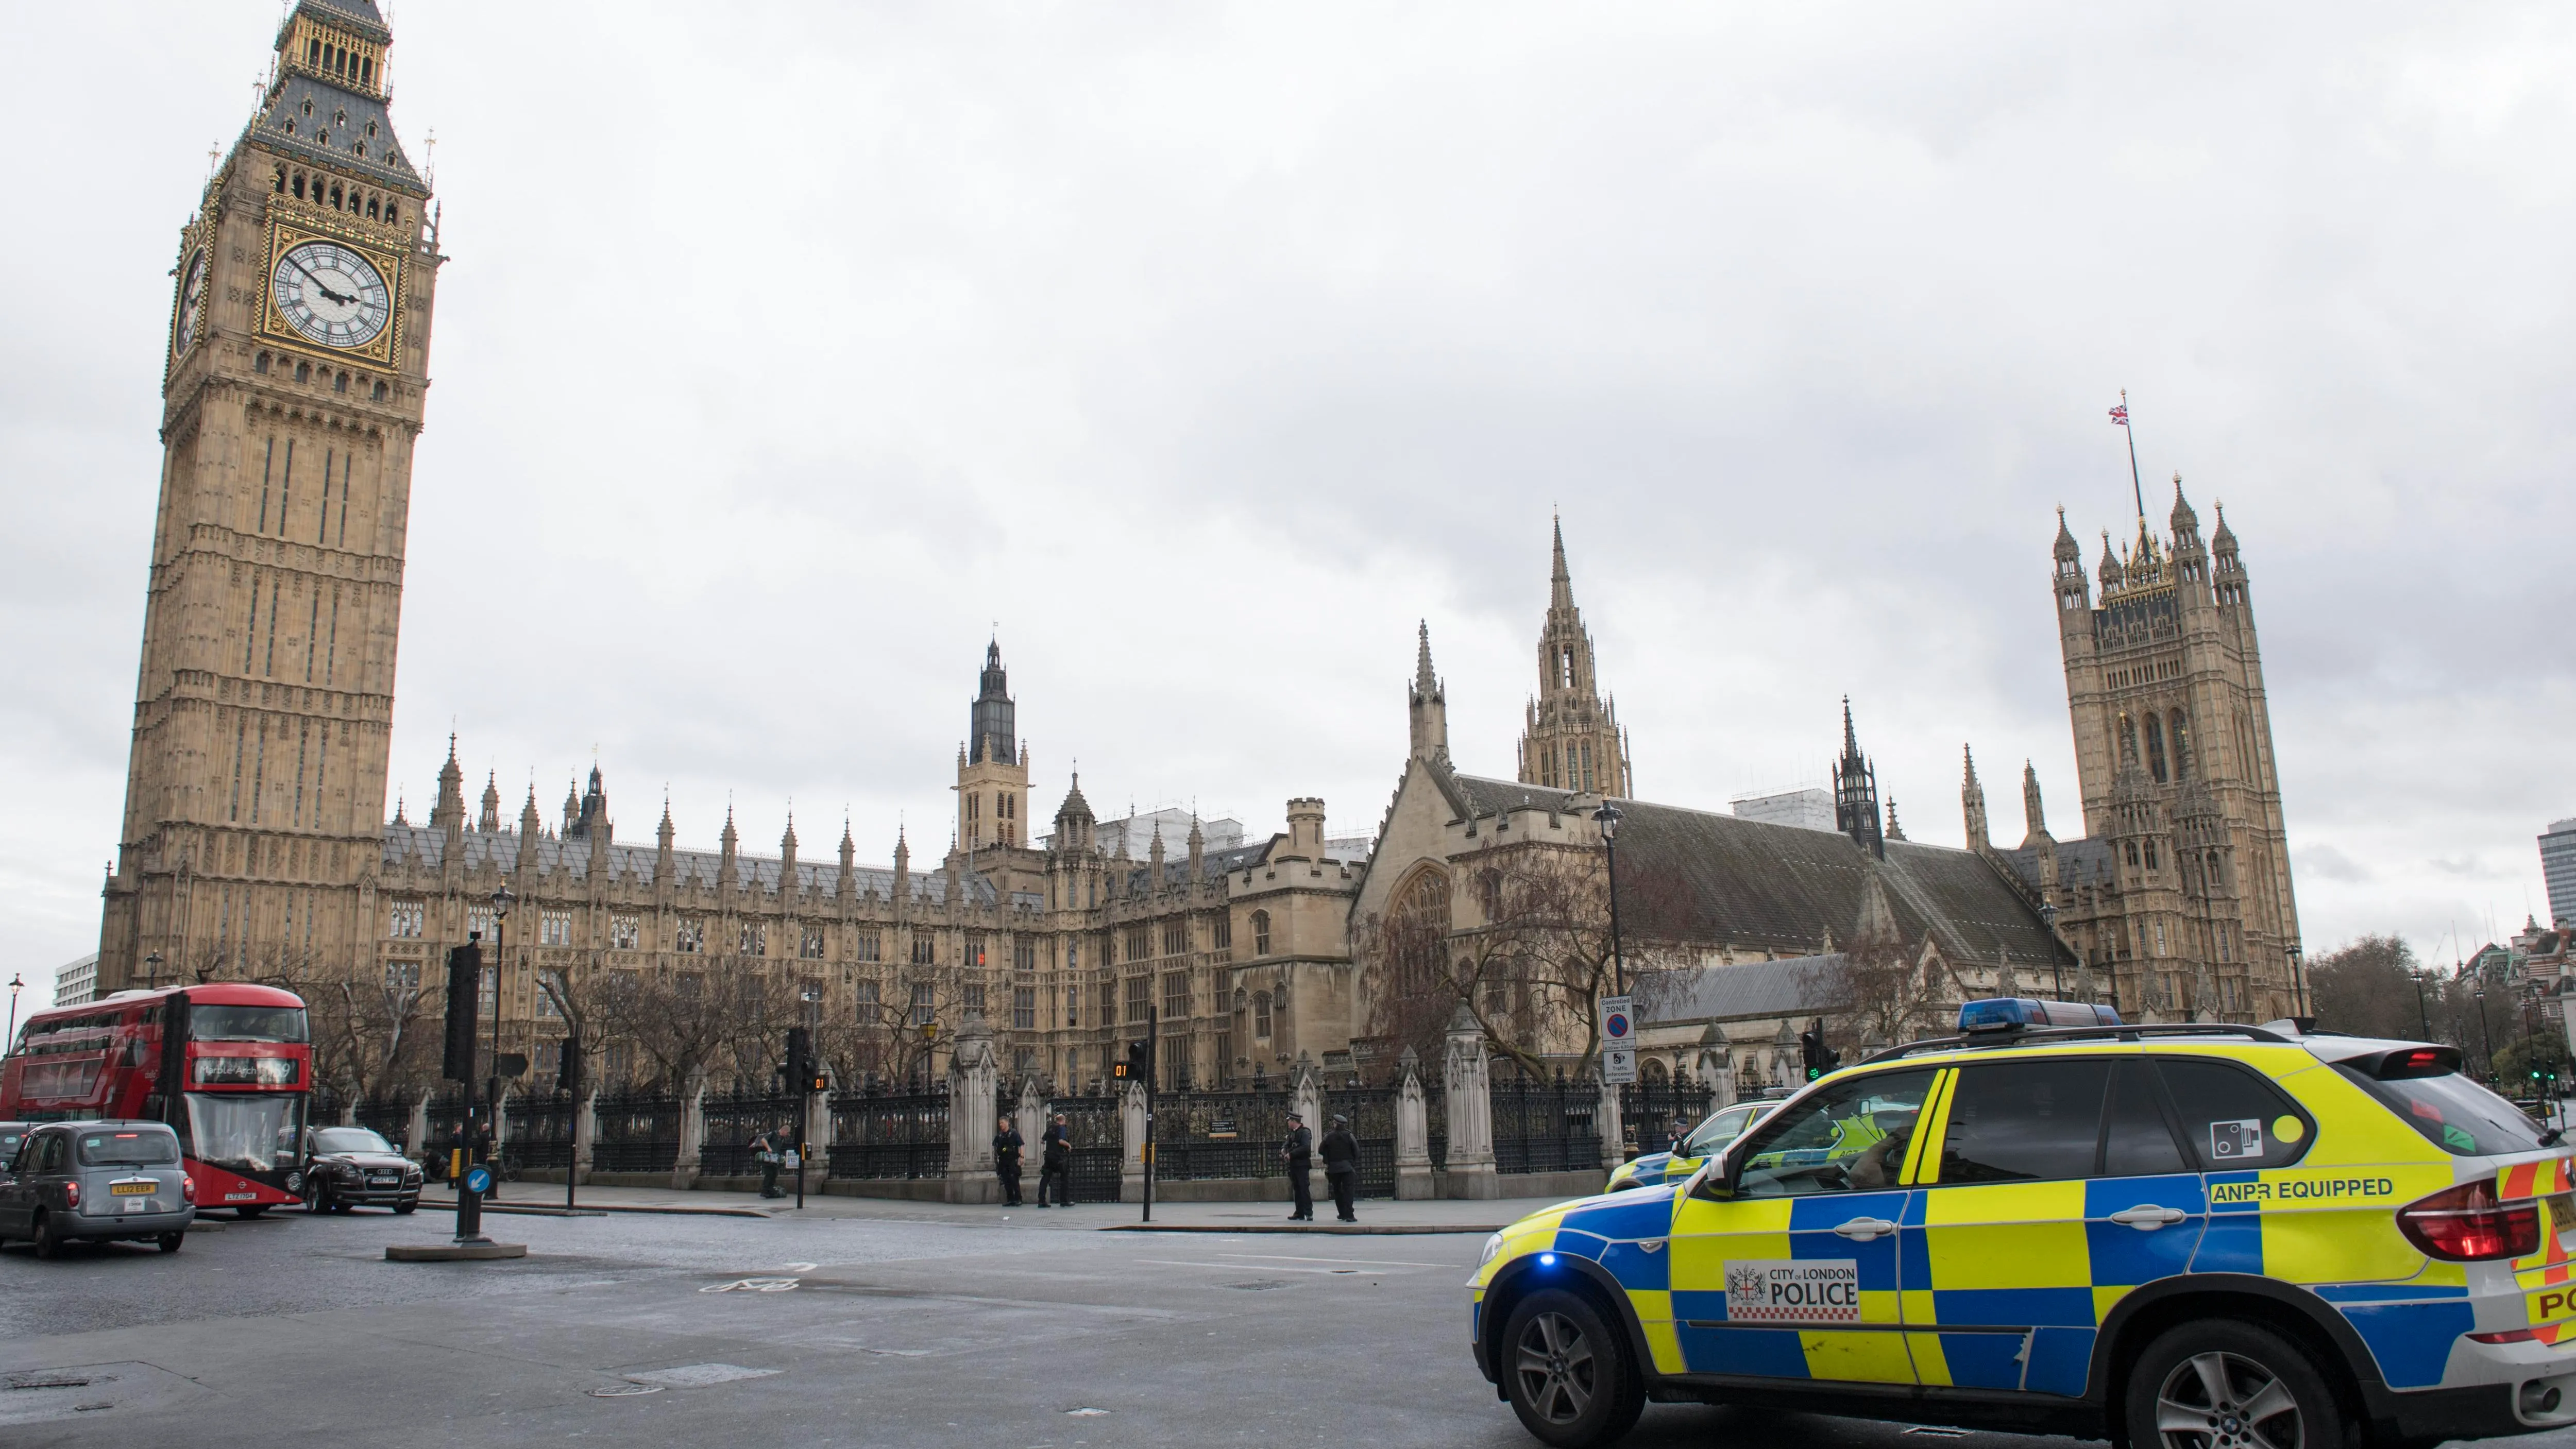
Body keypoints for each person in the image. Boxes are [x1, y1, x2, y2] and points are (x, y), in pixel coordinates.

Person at [1320, 1113, 1360, 1223]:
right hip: (1347, 1168)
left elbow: (1320, 1150)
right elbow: (1357, 1151)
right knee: (1349, 1191)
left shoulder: (1328, 1136)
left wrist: (1328, 1160)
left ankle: (1342, 1213)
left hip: (1333, 1169)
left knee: (1337, 1191)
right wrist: (1352, 1163)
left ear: (1335, 1124)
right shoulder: (1349, 1136)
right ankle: (1350, 1215)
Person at [1280, 1111, 1314, 1221]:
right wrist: (1284, 1150)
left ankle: (1308, 1212)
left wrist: (1292, 1154)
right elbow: (1287, 1144)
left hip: (1302, 1165)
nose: (1288, 1123)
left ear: (1294, 1121)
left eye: (1289, 1121)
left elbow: (1305, 1148)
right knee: (1297, 1189)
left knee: (1304, 1188)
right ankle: (1299, 1212)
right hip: (1294, 1165)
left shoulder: (1305, 1132)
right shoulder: (1292, 1133)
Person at [1037, 1113, 1071, 1208]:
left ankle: (1042, 1201)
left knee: (1046, 1178)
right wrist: (1068, 1145)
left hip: (1048, 1157)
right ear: (1063, 1121)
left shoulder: (1051, 1128)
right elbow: (1061, 1141)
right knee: (1064, 1177)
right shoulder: (1062, 1128)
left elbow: (1042, 1141)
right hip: (1059, 1157)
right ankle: (1064, 1201)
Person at [993, 1114, 1025, 1207]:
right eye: (1000, 1123)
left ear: (1007, 1123)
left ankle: (1018, 1199)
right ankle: (1010, 1199)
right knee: (1006, 1181)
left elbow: (1021, 1144)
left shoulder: (1014, 1133)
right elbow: (995, 1146)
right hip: (1003, 1160)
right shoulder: (1000, 1135)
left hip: (1012, 1160)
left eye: (1002, 1123)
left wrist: (1022, 1157)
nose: (1001, 1125)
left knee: (1014, 1180)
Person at [751, 1124, 787, 1199]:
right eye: (787, 1133)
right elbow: (763, 1140)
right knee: (769, 1174)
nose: (787, 1135)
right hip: (768, 1158)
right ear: (784, 1131)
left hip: (775, 1159)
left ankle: (770, 1189)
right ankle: (765, 1191)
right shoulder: (773, 1134)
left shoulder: (782, 1138)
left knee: (775, 1174)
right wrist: (769, 1148)